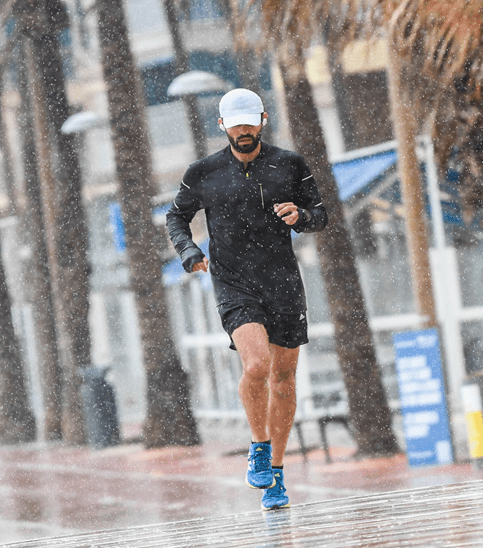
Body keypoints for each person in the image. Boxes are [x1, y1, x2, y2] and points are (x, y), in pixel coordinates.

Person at [165, 88, 328, 510]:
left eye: (249, 121)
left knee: (285, 380)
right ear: (222, 126)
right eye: (234, 123)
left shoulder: (289, 165)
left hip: (283, 283)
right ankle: (258, 447)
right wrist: (189, 251)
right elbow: (176, 216)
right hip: (234, 282)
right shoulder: (203, 172)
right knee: (256, 365)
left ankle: (274, 472)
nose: (243, 129)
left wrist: (301, 216)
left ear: (262, 120)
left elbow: (320, 214)